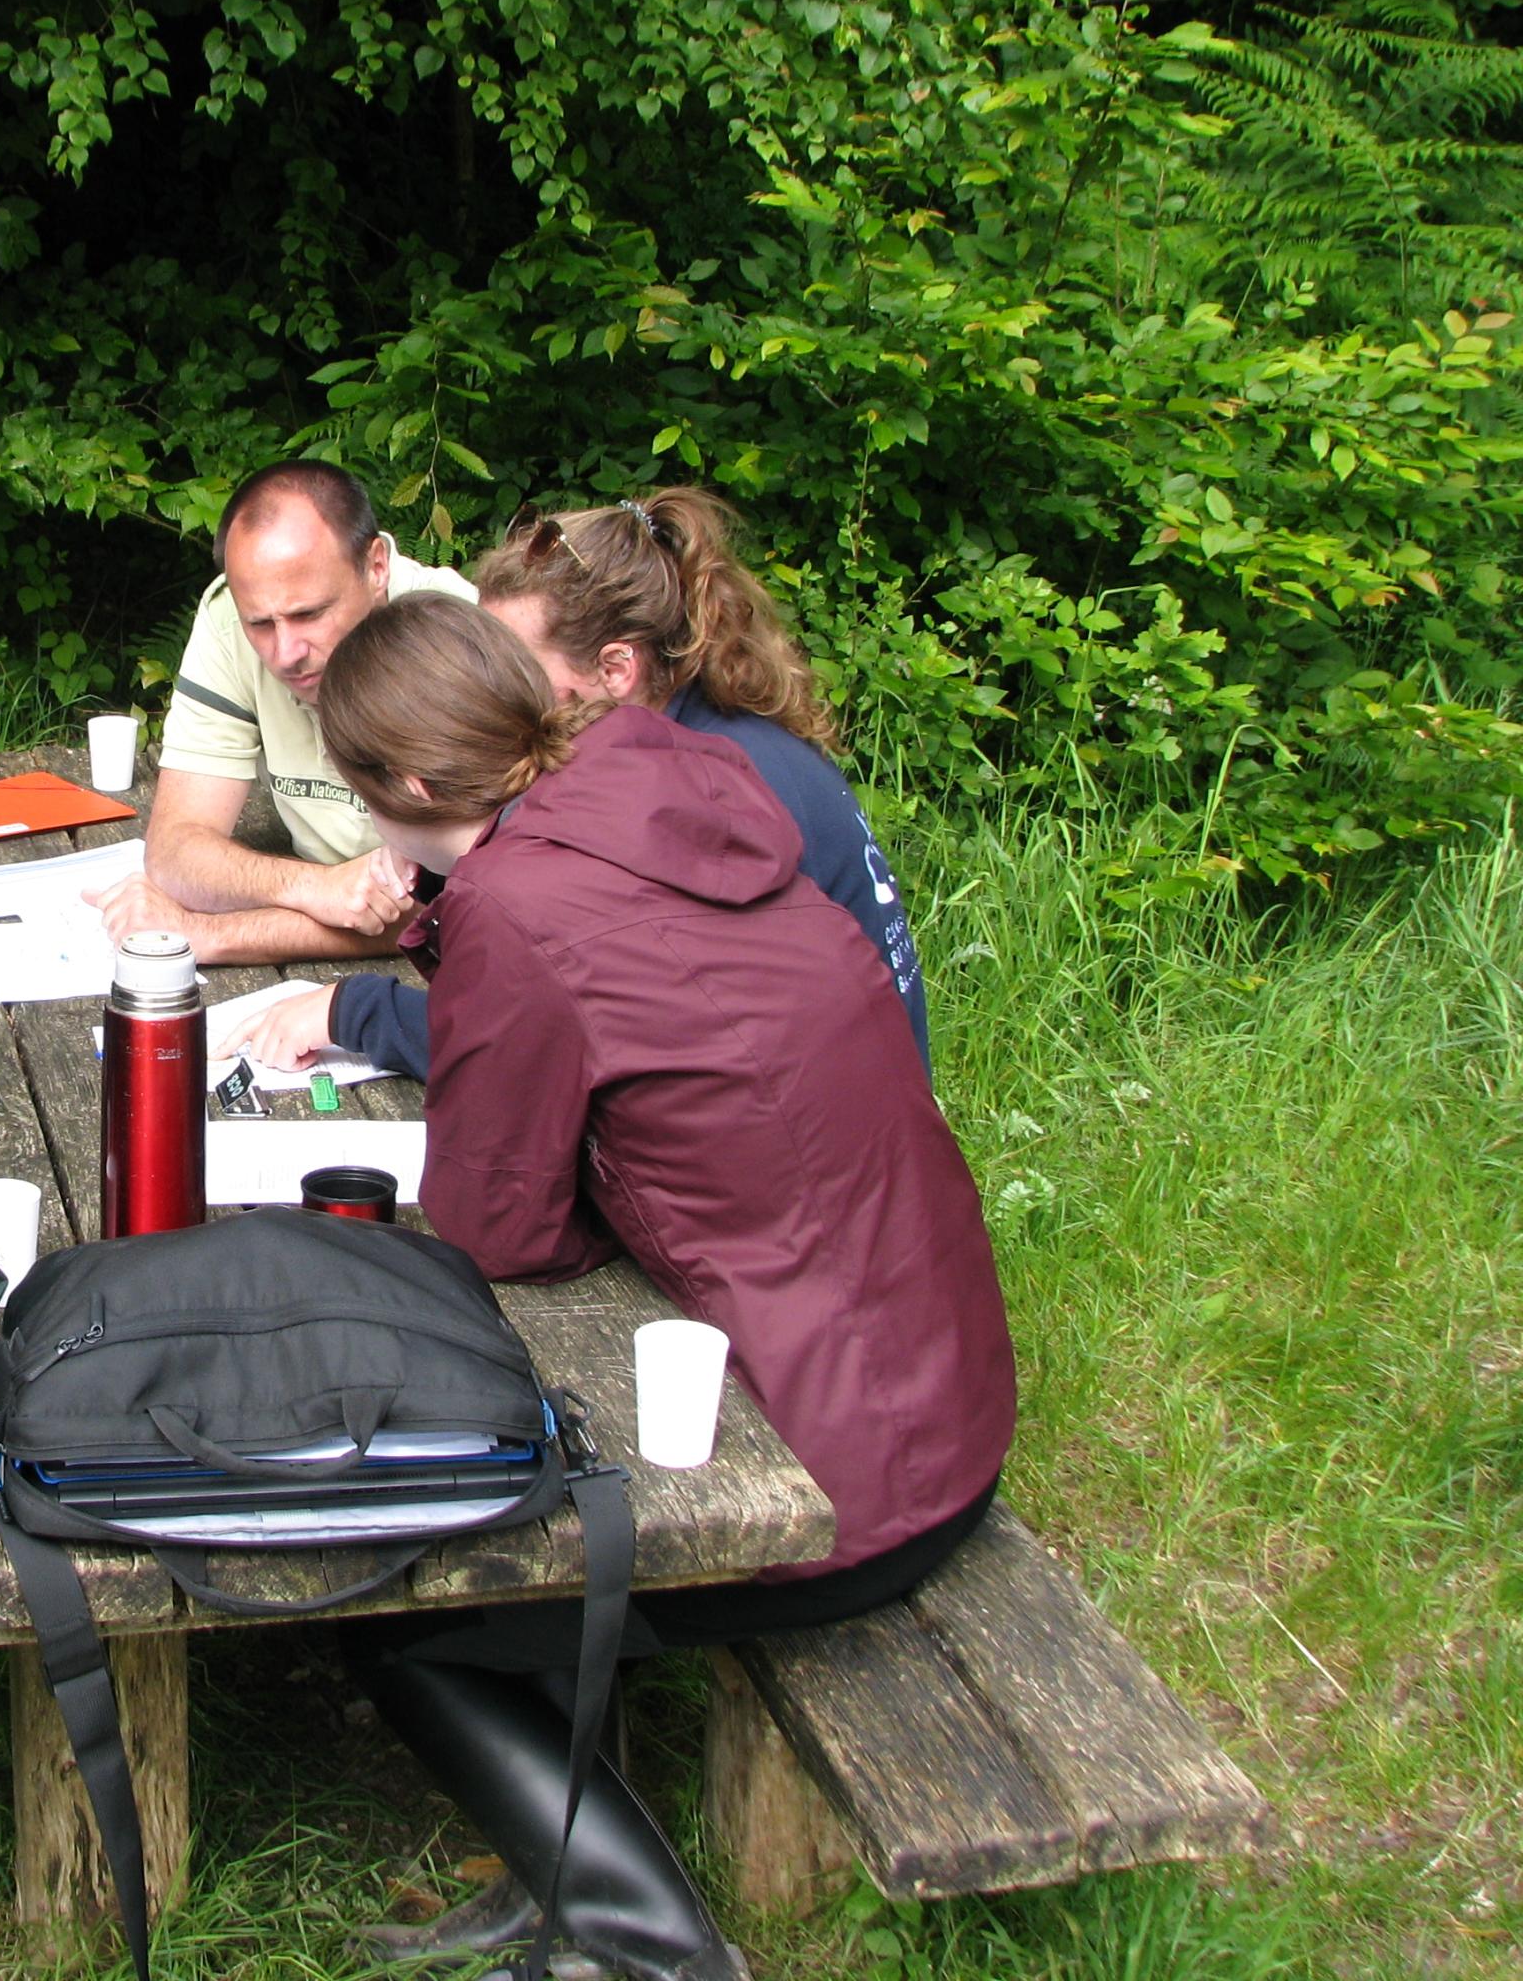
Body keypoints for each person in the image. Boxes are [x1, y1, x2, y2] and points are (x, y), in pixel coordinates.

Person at [311, 595, 1015, 1981]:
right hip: (946, 1390)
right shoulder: (660, 777)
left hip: (850, 1481)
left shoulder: (516, 902)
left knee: (405, 1615)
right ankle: (563, 1887)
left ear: (398, 788)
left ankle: (651, 1952)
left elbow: (500, 1229)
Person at [225, 487, 927, 1083]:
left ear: (616, 670)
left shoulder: (709, 791)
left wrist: (358, 1011)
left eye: (517, 676)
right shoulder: (687, 754)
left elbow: (545, 1033)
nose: (495, 699)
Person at [86, 459, 473, 962]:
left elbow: (459, 899)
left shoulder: (456, 638)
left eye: (309, 614)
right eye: (261, 624)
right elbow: (175, 851)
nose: (285, 652)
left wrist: (213, 935)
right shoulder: (229, 616)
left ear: (376, 566)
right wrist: (314, 887)